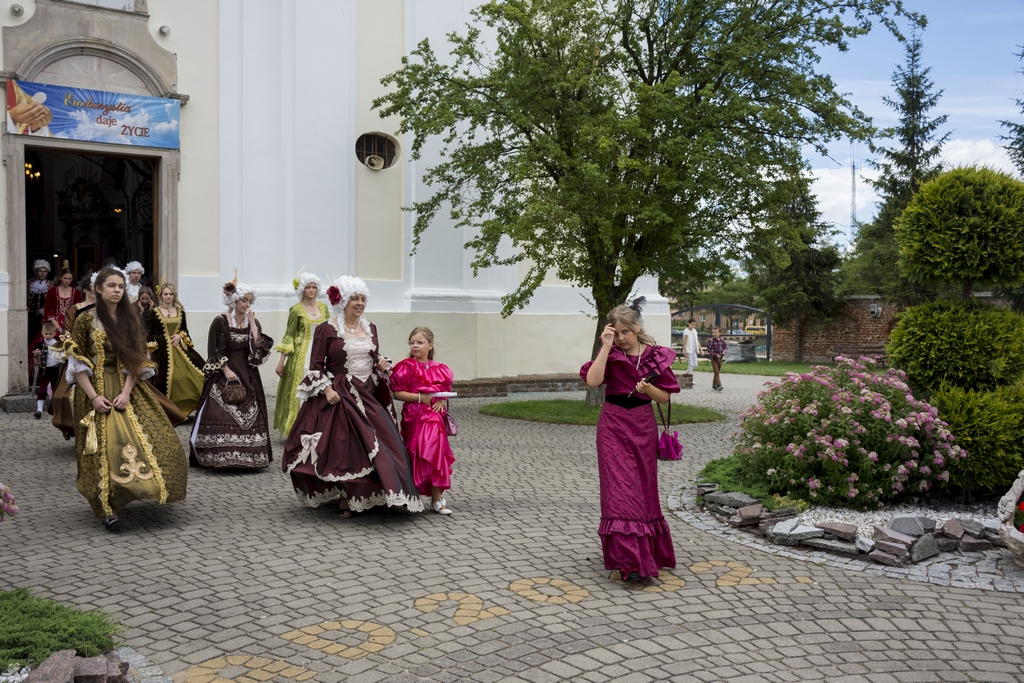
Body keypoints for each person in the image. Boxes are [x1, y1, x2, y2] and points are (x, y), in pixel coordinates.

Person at [281, 276, 423, 516]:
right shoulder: (327, 329)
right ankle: (347, 496)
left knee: (381, 443)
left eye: (363, 299)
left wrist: (381, 363)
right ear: (343, 301)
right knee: (345, 448)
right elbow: (316, 366)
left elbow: (373, 357)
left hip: (368, 392)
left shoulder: (370, 328)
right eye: (355, 299)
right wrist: (327, 390)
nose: (360, 303)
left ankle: (375, 492)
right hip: (340, 393)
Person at [62, 267, 188, 531]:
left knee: (152, 440)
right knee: (101, 448)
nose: (117, 290)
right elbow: (77, 364)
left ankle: (143, 487)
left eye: (120, 286)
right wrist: (94, 397)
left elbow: (137, 360)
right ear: (98, 289)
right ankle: (107, 508)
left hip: (125, 388)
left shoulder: (130, 319)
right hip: (93, 391)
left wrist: (127, 392)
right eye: (111, 285)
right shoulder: (85, 320)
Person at [581, 298, 679, 583]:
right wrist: (605, 346)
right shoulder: (610, 355)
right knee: (618, 492)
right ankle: (629, 562)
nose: (622, 338)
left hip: (642, 427)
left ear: (637, 327)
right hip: (612, 426)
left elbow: (666, 397)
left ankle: (644, 553)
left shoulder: (655, 356)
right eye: (616, 333)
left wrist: (648, 389)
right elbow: (592, 381)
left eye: (625, 331)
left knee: (642, 490)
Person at [189, 277, 274, 469]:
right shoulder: (220, 321)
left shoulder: (253, 322)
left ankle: (249, 457)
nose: (247, 304)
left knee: (251, 412)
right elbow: (213, 352)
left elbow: (259, 351)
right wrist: (226, 370)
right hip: (224, 373)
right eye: (244, 300)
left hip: (248, 374)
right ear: (234, 300)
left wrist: (253, 325)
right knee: (220, 413)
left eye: (250, 301)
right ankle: (220, 456)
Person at [390, 327, 456, 514]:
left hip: (434, 416)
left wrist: (441, 399)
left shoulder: (441, 369)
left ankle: (437, 500)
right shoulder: (405, 367)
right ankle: (412, 496)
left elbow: (444, 389)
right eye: (412, 342)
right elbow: (396, 393)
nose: (415, 346)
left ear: (430, 345)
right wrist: (420, 398)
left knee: (436, 453)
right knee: (415, 453)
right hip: (414, 415)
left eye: (420, 342)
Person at [273, 271, 329, 434]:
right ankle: (298, 429)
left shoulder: (324, 307)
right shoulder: (296, 309)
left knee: (320, 386)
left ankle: (318, 427)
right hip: (302, 354)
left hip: (321, 351)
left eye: (314, 287)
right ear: (302, 289)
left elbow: (329, 330)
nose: (311, 290)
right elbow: (289, 335)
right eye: (308, 287)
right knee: (301, 387)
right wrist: (281, 361)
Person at [144, 283, 206, 415]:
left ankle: (192, 406)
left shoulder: (180, 311)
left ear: (174, 295)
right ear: (161, 296)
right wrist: (149, 352)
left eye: (170, 294)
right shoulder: (155, 312)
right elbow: (151, 333)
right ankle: (171, 412)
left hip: (179, 348)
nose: (168, 296)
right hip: (162, 351)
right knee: (169, 380)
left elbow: (185, 330)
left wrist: (180, 335)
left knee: (195, 375)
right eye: (165, 294)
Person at [50, 274, 97, 439]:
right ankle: (77, 429)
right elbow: (67, 332)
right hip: (78, 355)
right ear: (85, 290)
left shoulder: (104, 309)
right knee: (63, 396)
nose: (94, 291)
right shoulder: (75, 309)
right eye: (91, 288)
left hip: (98, 355)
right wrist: (75, 346)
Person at [27, 259, 52, 373]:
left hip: (44, 318)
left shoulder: (50, 285)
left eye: (45, 271)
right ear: (35, 271)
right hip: (31, 317)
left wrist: (44, 311)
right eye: (40, 271)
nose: (42, 274)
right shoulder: (29, 283)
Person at [32, 320, 61, 419]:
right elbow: (33, 353)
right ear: (42, 333)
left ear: (54, 333)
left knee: (55, 389)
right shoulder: (40, 343)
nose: (48, 336)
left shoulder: (58, 343)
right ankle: (39, 409)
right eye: (46, 334)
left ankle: (56, 409)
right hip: (44, 370)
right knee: (42, 389)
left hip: (56, 369)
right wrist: (36, 354)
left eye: (50, 334)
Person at [43, 263, 82, 331]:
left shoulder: (76, 292)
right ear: (60, 277)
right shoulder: (52, 291)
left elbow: (78, 309)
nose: (67, 281)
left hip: (71, 322)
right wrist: (55, 324)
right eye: (65, 278)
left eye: (70, 279)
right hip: (53, 323)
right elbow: (47, 309)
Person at [707, 327, 727, 392]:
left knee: (717, 372)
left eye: (716, 332)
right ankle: (719, 384)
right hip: (714, 358)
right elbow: (709, 350)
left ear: (720, 333)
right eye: (713, 332)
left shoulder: (722, 340)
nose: (714, 334)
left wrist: (724, 352)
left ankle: (714, 385)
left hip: (720, 358)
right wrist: (715, 354)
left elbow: (725, 347)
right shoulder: (711, 341)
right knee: (716, 371)